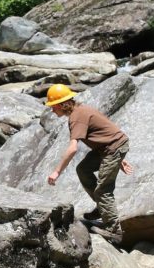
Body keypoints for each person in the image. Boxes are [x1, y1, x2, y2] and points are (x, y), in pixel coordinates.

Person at [44, 84, 132, 244]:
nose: (52, 110)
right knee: (83, 169)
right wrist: (120, 159)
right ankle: (102, 209)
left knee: (103, 190)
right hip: (109, 148)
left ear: (58, 105)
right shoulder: (80, 110)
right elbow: (106, 130)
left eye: (52, 107)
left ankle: (114, 231)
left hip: (112, 149)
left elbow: (72, 149)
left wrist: (56, 172)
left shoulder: (76, 117)